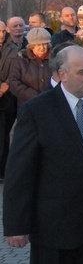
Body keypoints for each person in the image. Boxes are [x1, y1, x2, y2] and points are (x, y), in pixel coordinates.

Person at [2, 45, 83, 263]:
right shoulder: (37, 110)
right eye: (82, 72)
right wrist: (16, 226)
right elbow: (19, 172)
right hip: (52, 231)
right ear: (62, 75)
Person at [0, 17, 26, 178]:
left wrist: (7, 84)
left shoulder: (24, 46)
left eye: (20, 25)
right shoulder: (7, 48)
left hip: (18, 94)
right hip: (7, 96)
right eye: (14, 26)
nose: (17, 28)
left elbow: (18, 71)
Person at [8, 28, 52, 107]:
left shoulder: (55, 59)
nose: (42, 47)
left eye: (44, 44)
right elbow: (13, 82)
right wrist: (35, 96)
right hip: (27, 105)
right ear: (32, 46)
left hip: (51, 105)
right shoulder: (21, 60)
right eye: (38, 45)